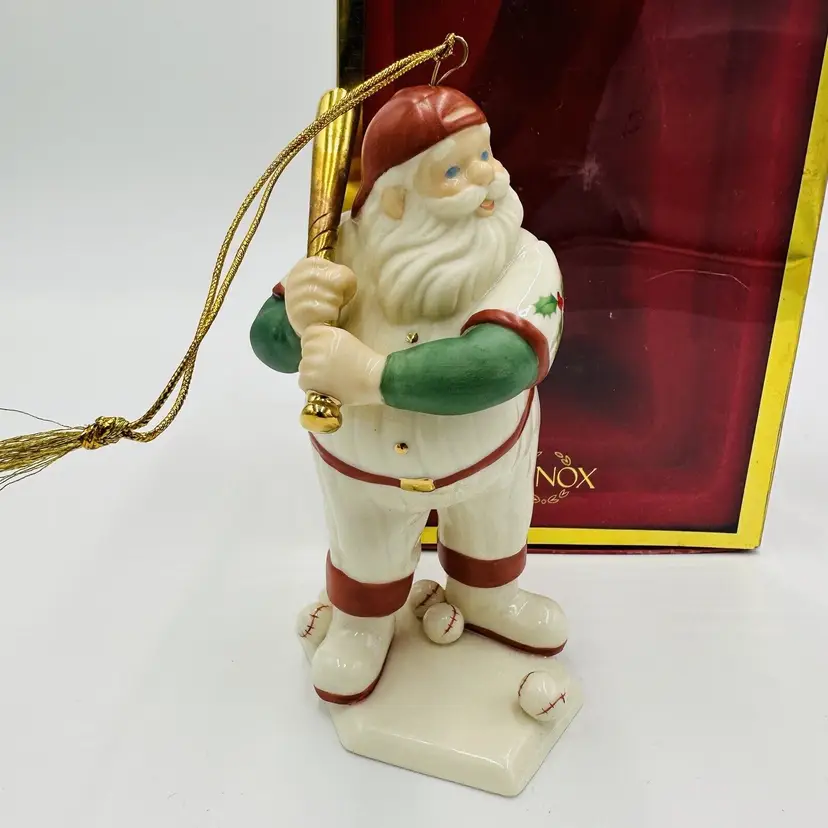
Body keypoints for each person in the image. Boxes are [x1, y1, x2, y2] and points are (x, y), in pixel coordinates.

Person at [251, 86, 568, 704]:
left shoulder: (526, 260)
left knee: (493, 534)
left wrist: (375, 375)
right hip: (362, 474)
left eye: (485, 155)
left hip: (489, 460)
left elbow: (503, 361)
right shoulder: (340, 250)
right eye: (453, 172)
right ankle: (363, 624)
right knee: (365, 551)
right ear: (396, 198)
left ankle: (488, 598)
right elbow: (267, 343)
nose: (487, 178)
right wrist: (293, 316)